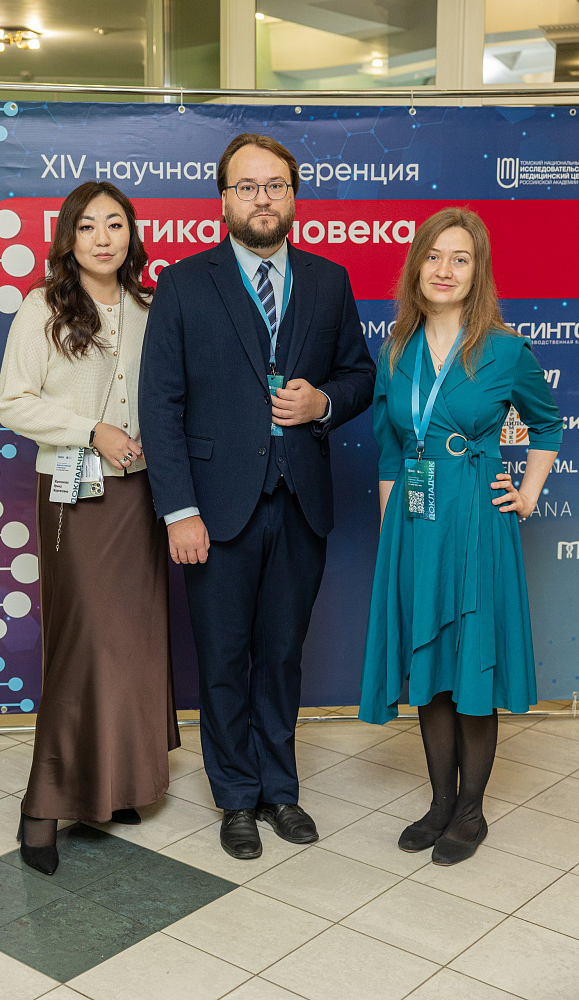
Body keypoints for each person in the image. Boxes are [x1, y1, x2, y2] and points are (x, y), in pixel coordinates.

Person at [139, 133, 376, 860]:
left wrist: (323, 404)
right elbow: (160, 404)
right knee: (221, 659)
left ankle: (280, 789)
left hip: (300, 503)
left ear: (293, 196)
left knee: (281, 655)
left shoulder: (329, 280)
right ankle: (236, 797)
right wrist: (179, 510)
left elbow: (360, 376)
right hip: (214, 511)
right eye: (247, 186)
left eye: (275, 185)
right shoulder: (184, 284)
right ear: (224, 199)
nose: (262, 198)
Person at [359, 207, 562, 865]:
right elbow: (391, 450)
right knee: (430, 664)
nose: (444, 270)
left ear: (478, 274)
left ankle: (471, 812)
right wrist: (393, 534)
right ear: (415, 266)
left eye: (460, 259)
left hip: (477, 520)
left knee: (470, 660)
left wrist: (528, 492)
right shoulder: (396, 351)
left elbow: (548, 424)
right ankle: (440, 803)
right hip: (415, 527)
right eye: (434, 256)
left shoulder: (505, 349)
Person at [0, 180, 179, 876]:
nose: (104, 238)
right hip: (75, 498)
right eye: (88, 226)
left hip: (142, 498)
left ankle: (113, 785)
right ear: (68, 237)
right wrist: (90, 430)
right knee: (83, 646)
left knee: (133, 644)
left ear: (132, 234)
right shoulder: (43, 307)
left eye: (116, 224)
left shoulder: (150, 307)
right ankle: (42, 806)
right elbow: (12, 402)